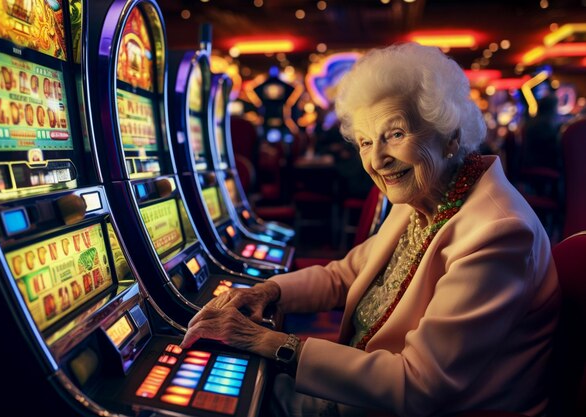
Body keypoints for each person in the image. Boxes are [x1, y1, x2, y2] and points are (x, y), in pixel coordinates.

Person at [181, 42, 560, 417]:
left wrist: (270, 342)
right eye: (365, 141)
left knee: (219, 400)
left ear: (451, 138)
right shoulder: (422, 196)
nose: (377, 160)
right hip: (370, 384)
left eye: (395, 134)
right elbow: (345, 275)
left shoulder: (498, 232)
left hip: (432, 406)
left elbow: (420, 386)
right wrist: (268, 291)